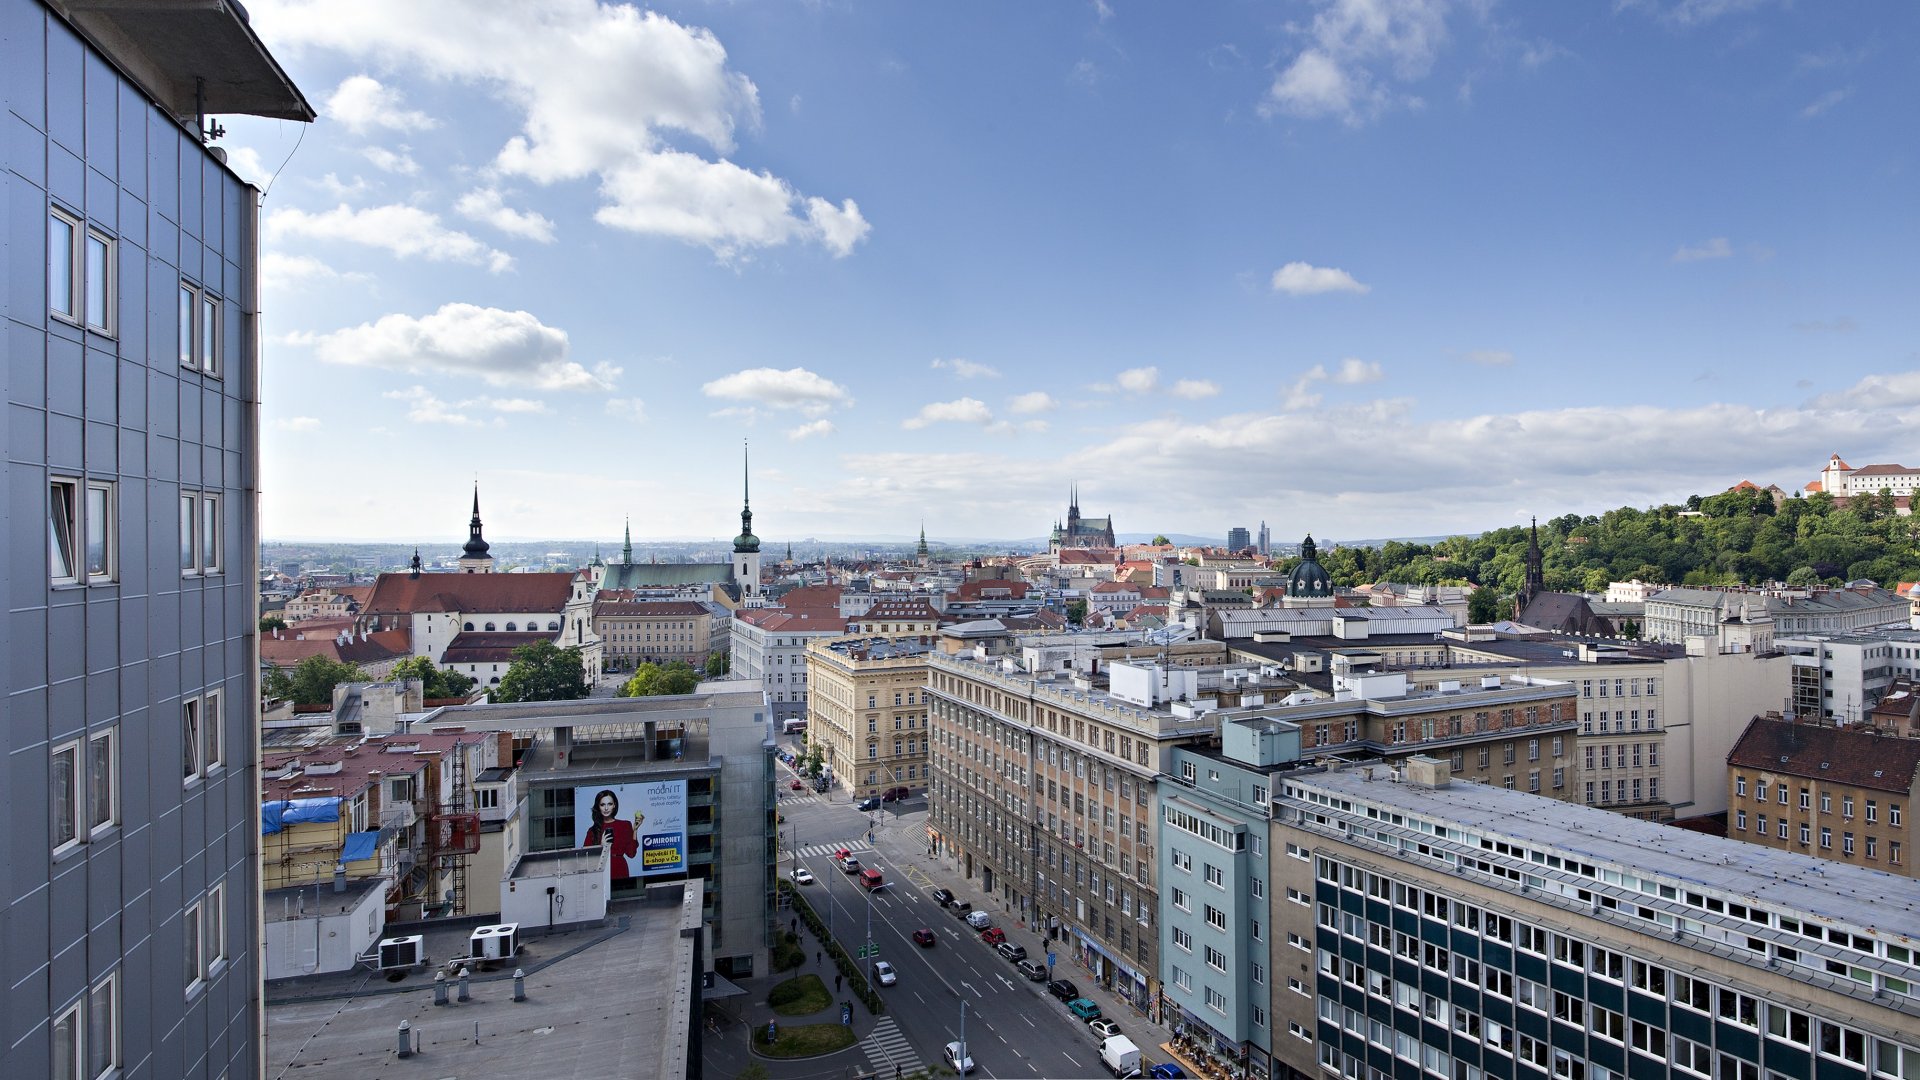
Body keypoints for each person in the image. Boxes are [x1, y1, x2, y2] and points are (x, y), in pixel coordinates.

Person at [582, 788, 640, 880]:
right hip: (601, 869)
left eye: (609, 804)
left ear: (614, 805)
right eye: (602, 805)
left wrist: (635, 830)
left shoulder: (625, 825)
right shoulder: (592, 830)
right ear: (598, 807)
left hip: (620, 868)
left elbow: (631, 854)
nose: (606, 808)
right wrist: (602, 846)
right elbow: (586, 859)